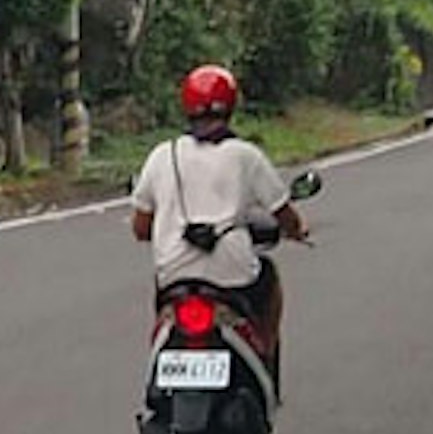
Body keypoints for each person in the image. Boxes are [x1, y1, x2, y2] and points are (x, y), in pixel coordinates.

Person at [128, 62, 304, 366]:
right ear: (232, 106)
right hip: (233, 276)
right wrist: (297, 230)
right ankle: (266, 351)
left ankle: (162, 352)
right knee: (268, 276)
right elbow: (284, 214)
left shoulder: (161, 155)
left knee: (161, 299)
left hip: (174, 277)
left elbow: (140, 227)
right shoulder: (246, 156)